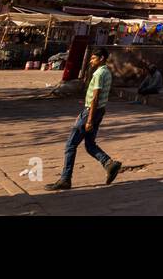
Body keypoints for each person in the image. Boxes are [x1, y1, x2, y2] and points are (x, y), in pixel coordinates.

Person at [46, 48, 123, 191]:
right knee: (89, 144)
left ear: (101, 59)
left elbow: (95, 97)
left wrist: (88, 119)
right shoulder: (107, 72)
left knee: (70, 145)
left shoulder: (100, 74)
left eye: (94, 58)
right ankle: (108, 163)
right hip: (97, 111)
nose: (91, 61)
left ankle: (65, 179)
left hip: (92, 112)